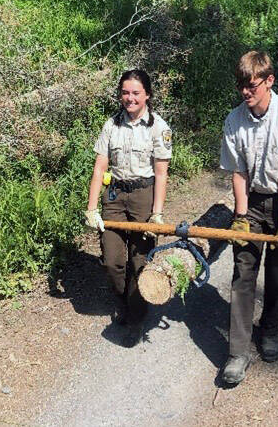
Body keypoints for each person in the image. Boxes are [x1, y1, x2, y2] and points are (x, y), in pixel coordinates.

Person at [219, 51, 278, 384]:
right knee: (243, 273)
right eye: (241, 85)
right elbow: (238, 172)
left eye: (252, 85)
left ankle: (270, 329)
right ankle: (238, 352)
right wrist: (241, 216)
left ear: (270, 81)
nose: (246, 92)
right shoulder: (234, 120)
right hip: (253, 200)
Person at [84, 69, 172, 347]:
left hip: (143, 195)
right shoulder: (111, 125)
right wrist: (92, 207)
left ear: (147, 95)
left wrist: (157, 212)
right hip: (115, 196)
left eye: (136, 92)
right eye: (125, 92)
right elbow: (100, 168)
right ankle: (125, 302)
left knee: (139, 261)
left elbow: (161, 173)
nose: (129, 98)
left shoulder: (159, 127)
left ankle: (135, 318)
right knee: (112, 261)